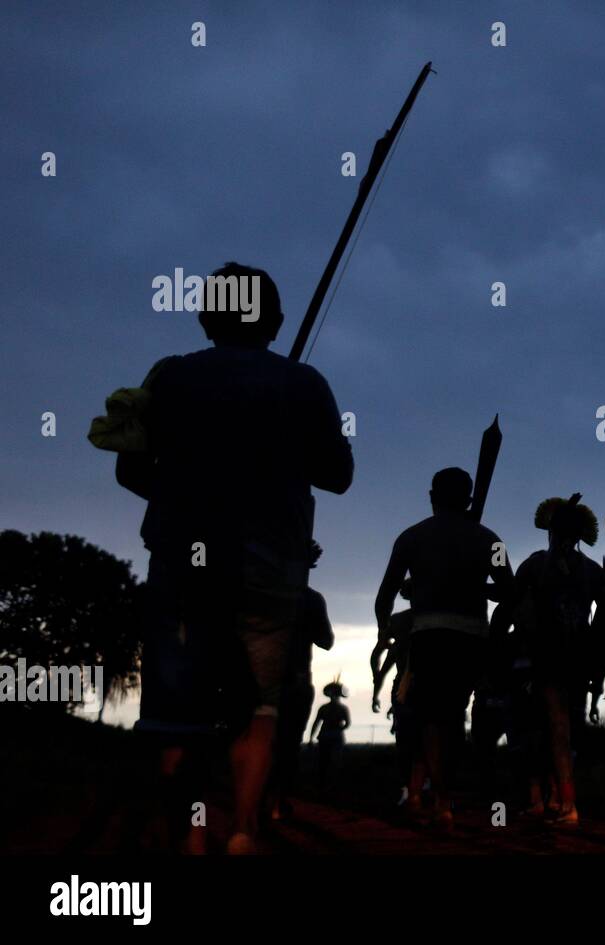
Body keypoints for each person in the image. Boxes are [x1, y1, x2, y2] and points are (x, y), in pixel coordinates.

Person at [114, 261, 354, 854]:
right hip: (273, 564)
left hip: (182, 558)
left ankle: (193, 836)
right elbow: (338, 475)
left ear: (206, 318)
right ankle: (244, 828)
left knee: (177, 703)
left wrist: (186, 492)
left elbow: (129, 468)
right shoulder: (306, 384)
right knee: (262, 703)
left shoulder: (167, 380)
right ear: (274, 321)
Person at [374, 467, 513, 829]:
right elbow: (510, 592)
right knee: (450, 713)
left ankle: (442, 799)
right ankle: (441, 796)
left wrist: (382, 630)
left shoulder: (411, 538)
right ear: (467, 500)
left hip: (429, 634)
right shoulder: (490, 540)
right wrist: (478, 590)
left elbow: (385, 593)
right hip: (471, 638)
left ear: (432, 497)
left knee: (435, 717)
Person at [490, 495, 605, 825]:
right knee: (562, 728)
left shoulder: (536, 564)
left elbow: (507, 605)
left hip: (547, 659)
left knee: (554, 729)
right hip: (578, 660)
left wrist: (494, 644)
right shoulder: (592, 571)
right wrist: (596, 654)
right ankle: (559, 798)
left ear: (550, 530)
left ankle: (567, 803)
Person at [267, 541, 335, 821]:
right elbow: (326, 641)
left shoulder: (266, 593)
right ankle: (277, 800)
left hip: (263, 679)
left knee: (262, 737)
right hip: (296, 681)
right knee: (287, 742)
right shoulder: (312, 599)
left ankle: (260, 798)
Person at [371, 580, 420, 806]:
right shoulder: (425, 619)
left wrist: (375, 688)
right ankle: (417, 787)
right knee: (425, 736)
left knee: (406, 738)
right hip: (420, 685)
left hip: (404, 686)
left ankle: (411, 788)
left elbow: (377, 656)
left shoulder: (399, 621)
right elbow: (379, 657)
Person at [310, 679, 350, 787]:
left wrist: (311, 738)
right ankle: (328, 783)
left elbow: (316, 723)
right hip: (333, 736)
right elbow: (347, 723)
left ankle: (326, 783)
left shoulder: (325, 708)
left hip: (328, 735)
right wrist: (340, 728)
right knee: (330, 761)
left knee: (326, 761)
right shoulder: (342, 708)